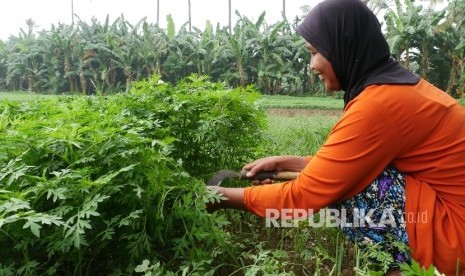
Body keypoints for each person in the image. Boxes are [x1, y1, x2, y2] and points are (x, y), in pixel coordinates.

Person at [207, 0, 465, 274]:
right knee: (348, 181)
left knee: (353, 191)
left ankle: (409, 269)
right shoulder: (394, 88)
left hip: (455, 238)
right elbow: (348, 163)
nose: (311, 65)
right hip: (451, 214)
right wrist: (291, 163)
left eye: (315, 52)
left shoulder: (378, 105)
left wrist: (219, 196)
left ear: (344, 45)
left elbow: (304, 196)